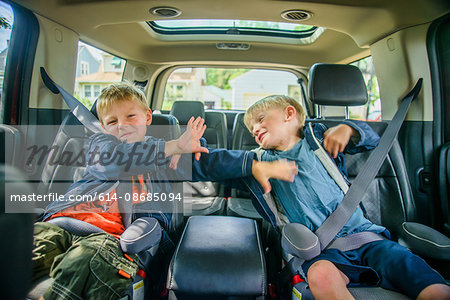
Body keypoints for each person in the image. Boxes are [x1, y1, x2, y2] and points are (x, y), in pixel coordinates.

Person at [32, 83, 298, 300]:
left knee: (88, 260)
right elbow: (112, 162)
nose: (121, 126)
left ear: (148, 117)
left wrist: (253, 165)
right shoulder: (101, 145)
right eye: (111, 121)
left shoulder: (170, 155)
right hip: (60, 222)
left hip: (111, 237)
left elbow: (209, 161)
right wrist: (171, 147)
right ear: (102, 127)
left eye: (130, 117)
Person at [242, 95, 450, 300]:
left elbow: (372, 140)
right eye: (251, 129)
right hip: (321, 251)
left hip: (368, 239)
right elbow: (223, 164)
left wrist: (348, 128)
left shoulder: (319, 140)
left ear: (289, 114)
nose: (255, 130)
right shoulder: (260, 161)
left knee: (430, 284)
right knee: (321, 275)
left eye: (260, 120)